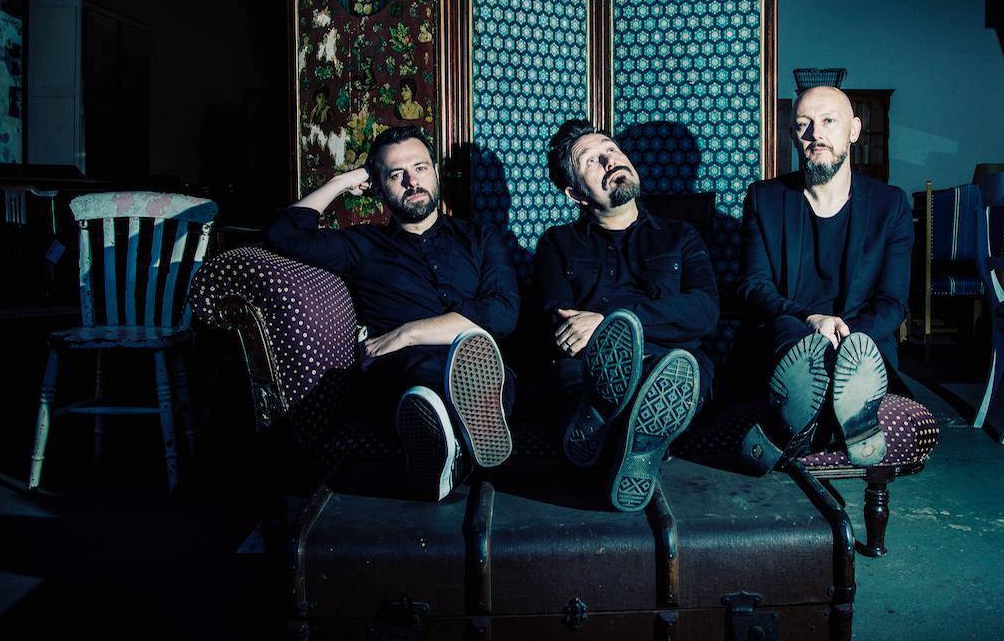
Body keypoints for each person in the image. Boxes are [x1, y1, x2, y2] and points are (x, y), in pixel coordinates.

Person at [264, 125, 518, 500]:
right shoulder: (363, 245)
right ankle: (444, 438)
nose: (412, 181)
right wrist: (343, 180)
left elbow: (503, 313)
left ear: (435, 172)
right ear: (378, 188)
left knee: (486, 368)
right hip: (404, 371)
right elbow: (283, 235)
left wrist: (407, 332)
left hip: (480, 363)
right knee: (419, 381)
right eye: (396, 175)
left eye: (420, 168)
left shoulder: (481, 237)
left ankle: (453, 446)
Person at [532, 119, 718, 512]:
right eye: (591, 160)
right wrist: (644, 326)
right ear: (575, 193)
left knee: (679, 373)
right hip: (589, 370)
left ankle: (624, 433)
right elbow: (562, 326)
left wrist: (608, 320)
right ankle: (626, 440)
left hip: (668, 366)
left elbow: (704, 310)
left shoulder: (680, 235)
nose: (609, 160)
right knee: (568, 376)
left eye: (611, 149)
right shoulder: (557, 243)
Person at [736, 85, 912, 473]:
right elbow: (754, 286)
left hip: (860, 345)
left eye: (829, 121)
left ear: (854, 130)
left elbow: (892, 303)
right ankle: (833, 419)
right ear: (793, 135)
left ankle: (794, 427)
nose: (816, 134)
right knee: (791, 332)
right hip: (789, 338)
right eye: (804, 124)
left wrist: (845, 339)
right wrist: (811, 320)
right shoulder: (764, 199)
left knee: (857, 358)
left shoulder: (891, 205)